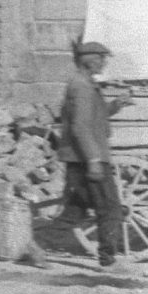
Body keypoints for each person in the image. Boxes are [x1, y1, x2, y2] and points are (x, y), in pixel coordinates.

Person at [56, 39, 134, 273]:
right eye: (101, 59)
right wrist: (93, 160)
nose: (104, 63)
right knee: (110, 208)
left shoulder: (85, 84)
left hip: (79, 158)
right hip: (88, 159)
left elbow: (93, 117)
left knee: (76, 210)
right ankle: (108, 260)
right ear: (90, 61)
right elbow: (80, 127)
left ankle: (38, 245)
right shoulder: (81, 86)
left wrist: (115, 106)